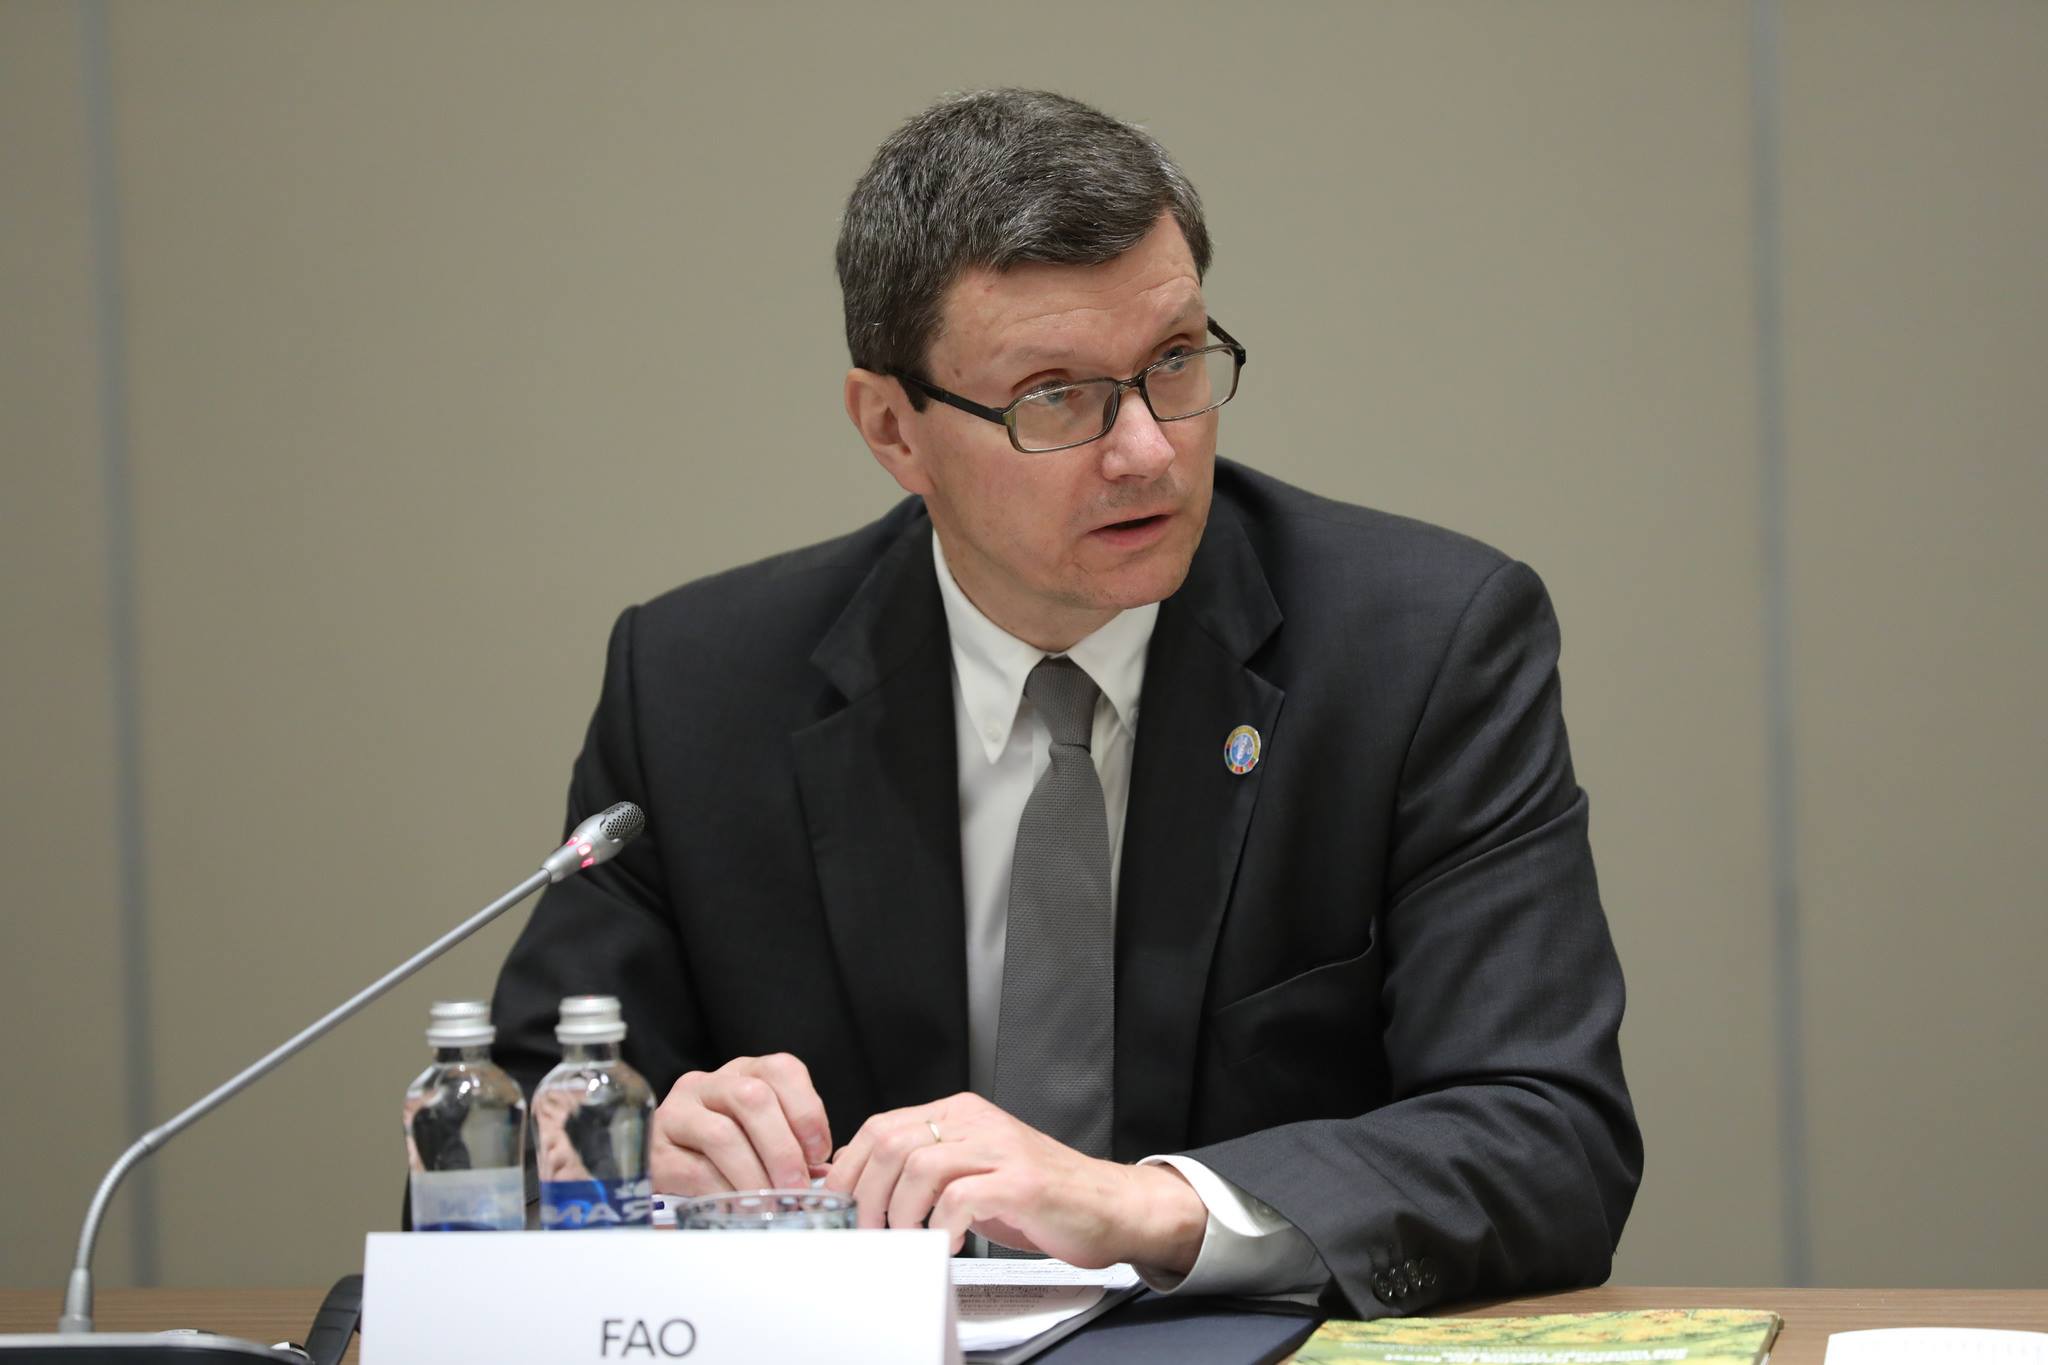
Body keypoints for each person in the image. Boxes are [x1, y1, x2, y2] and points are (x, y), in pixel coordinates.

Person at [491, 88, 1641, 1315]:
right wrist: (629, 1163)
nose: (1145, 449)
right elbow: (492, 1144)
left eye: (1174, 362)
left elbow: (1547, 1139)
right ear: (892, 429)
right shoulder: (700, 688)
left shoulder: (1417, 652)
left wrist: (1151, 1206)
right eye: (1054, 394)